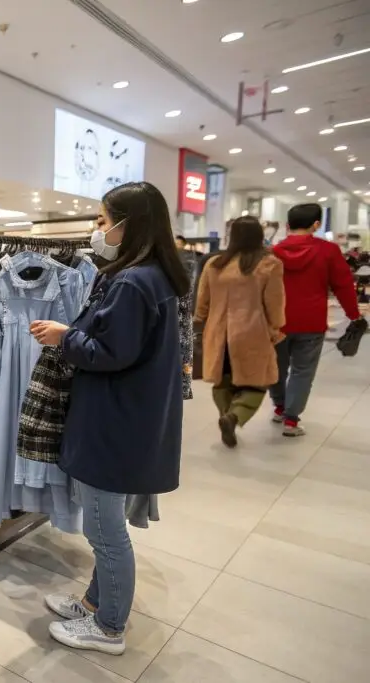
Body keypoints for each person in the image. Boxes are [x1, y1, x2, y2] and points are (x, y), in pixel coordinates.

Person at [30, 181, 189, 656]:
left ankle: (110, 626)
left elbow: (111, 353)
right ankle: (97, 603)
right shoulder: (150, 276)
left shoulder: (133, 282)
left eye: (102, 221)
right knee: (105, 521)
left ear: (127, 224)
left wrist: (64, 337)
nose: (97, 230)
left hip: (114, 423)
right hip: (126, 417)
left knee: (104, 530)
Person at [271, 203, 362, 436]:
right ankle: (291, 420)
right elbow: (343, 285)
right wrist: (354, 314)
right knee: (303, 370)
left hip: (277, 320)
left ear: (287, 225)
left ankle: (280, 407)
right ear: (317, 224)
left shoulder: (273, 251)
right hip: (311, 322)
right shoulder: (328, 251)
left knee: (278, 368)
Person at [194, 216, 285, 447]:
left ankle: (227, 416)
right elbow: (274, 303)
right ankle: (234, 416)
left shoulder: (214, 264)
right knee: (256, 383)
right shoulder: (269, 264)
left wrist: (200, 326)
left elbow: (201, 303)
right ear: (259, 236)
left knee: (222, 382)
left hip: (218, 333)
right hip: (252, 332)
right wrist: (276, 327)